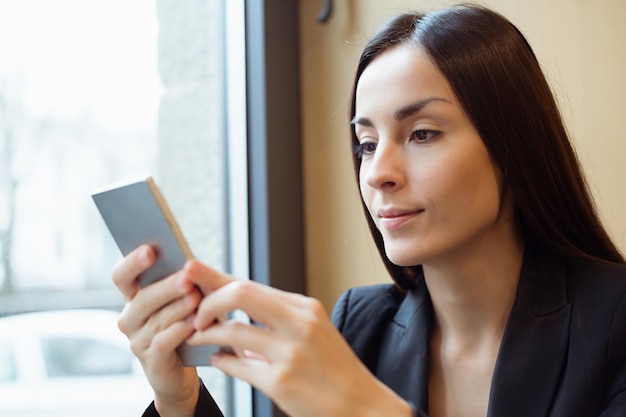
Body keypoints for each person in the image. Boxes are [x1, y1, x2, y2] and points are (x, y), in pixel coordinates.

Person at [112, 4, 626, 417]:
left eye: (422, 134)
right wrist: (179, 402)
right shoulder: (360, 325)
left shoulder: (615, 323)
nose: (379, 171)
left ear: (515, 147)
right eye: (366, 143)